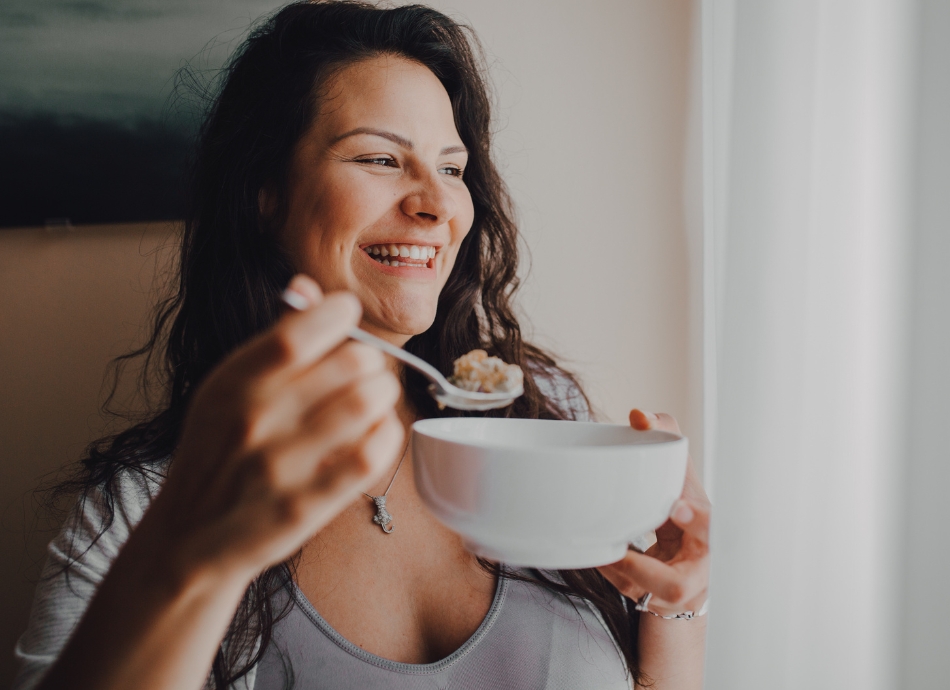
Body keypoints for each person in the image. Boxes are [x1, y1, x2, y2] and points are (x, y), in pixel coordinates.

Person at [13, 2, 710, 689]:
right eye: (380, 158)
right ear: (266, 192)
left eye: (450, 167)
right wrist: (195, 552)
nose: (434, 206)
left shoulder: (541, 417)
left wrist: (676, 610)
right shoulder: (147, 507)